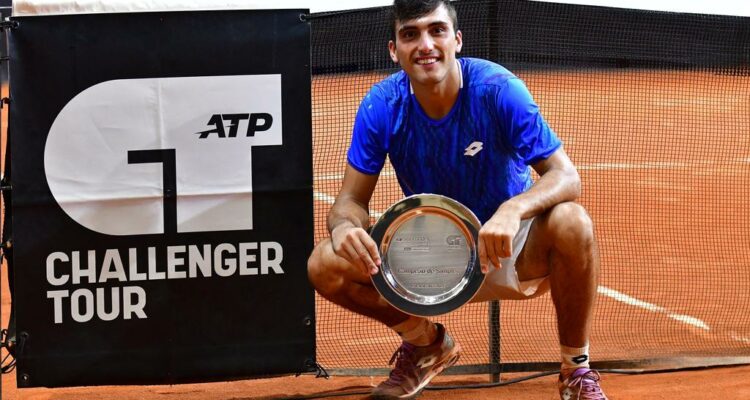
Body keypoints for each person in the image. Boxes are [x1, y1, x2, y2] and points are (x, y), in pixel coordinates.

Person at [307, 1, 608, 399]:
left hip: (509, 248)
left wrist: (513, 210)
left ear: (457, 40)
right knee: (325, 263)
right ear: (394, 50)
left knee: (573, 222)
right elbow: (349, 200)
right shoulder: (382, 105)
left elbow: (566, 175)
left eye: (437, 30)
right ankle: (427, 345)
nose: (425, 44)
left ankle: (575, 369)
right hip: (432, 255)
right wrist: (344, 225)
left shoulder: (497, 90)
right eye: (410, 34)